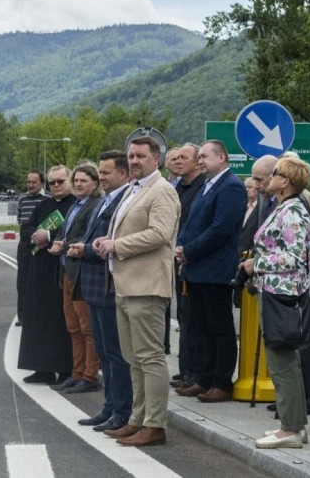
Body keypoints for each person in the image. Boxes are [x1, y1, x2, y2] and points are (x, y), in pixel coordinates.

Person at [93, 135, 180, 446]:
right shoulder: (134, 190)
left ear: (156, 159)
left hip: (147, 285)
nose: (134, 161)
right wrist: (105, 241)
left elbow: (160, 234)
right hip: (126, 285)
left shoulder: (162, 191)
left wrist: (118, 246)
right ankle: (137, 418)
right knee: (133, 358)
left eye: (141, 156)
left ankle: (155, 424)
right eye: (131, 156)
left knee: (150, 357)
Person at [240, 156, 310, 448]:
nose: (268, 178)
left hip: (282, 294)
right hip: (275, 291)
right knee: (282, 360)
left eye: (274, 174)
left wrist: (256, 264)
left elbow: (295, 257)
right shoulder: (283, 207)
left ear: (285, 181)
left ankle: (291, 428)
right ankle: (294, 424)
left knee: (282, 361)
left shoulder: (293, 210)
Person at [174, 140, 247, 403]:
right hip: (196, 269)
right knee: (199, 326)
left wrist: (189, 251)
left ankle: (221, 382)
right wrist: (181, 246)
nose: (200, 160)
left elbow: (220, 229)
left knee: (220, 327)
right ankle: (203, 379)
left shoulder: (232, 187)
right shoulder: (207, 186)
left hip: (215, 270)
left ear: (222, 157)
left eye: (205, 156)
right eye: (200, 156)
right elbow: (191, 222)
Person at [69, 150, 133, 432]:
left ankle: (121, 410)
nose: (102, 177)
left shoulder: (124, 200)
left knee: (115, 354)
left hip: (108, 285)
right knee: (105, 353)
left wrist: (83, 249)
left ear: (123, 174)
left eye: (106, 172)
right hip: (94, 285)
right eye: (101, 171)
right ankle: (109, 407)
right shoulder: (106, 200)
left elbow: (109, 241)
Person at [18, 165, 76, 384]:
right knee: (38, 319)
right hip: (39, 271)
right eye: (52, 183)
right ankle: (42, 368)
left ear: (69, 181)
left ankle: (65, 369)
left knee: (61, 321)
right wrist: (35, 235)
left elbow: (74, 233)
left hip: (61, 271)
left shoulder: (75, 205)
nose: (57, 186)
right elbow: (26, 229)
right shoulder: (44, 204)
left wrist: (49, 235)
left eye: (61, 181)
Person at [49, 163, 101, 393]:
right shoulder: (74, 206)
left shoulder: (95, 205)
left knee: (87, 328)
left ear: (94, 184)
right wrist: (60, 242)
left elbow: (86, 236)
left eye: (84, 181)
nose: (79, 184)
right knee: (73, 327)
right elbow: (65, 232)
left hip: (83, 273)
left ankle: (89, 376)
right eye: (76, 180)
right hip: (68, 272)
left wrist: (65, 244)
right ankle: (76, 372)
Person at [171, 142, 206, 387]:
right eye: (177, 157)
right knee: (184, 316)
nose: (179, 161)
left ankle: (195, 370)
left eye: (185, 157)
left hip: (194, 258)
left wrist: (187, 251)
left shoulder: (202, 187)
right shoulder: (178, 188)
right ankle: (186, 369)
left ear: (197, 162)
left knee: (196, 319)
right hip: (178, 257)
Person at [15, 170, 47, 326]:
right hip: (25, 244)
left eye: (34, 182)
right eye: (28, 182)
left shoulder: (47, 200)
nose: (30, 185)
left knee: (41, 282)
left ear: (41, 183)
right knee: (23, 282)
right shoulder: (22, 200)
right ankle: (22, 316)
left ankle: (40, 314)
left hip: (42, 245)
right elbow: (20, 221)